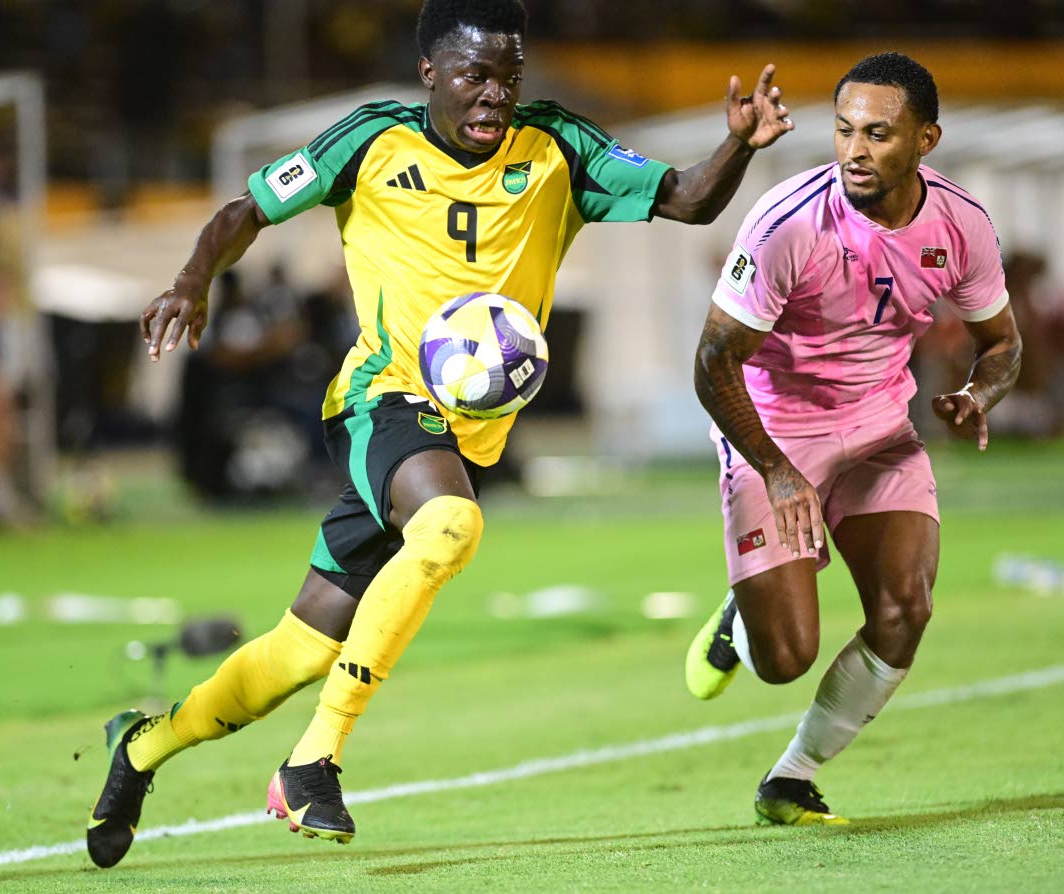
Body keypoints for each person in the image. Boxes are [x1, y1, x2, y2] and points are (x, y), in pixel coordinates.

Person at [86, 0, 794, 867]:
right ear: (429, 73)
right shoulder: (373, 141)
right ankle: (313, 762)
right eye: (474, 76)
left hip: (466, 434)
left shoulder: (557, 147)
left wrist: (739, 145)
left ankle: (144, 744)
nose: (495, 95)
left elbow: (685, 199)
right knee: (453, 525)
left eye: (509, 76)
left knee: (297, 651)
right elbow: (248, 209)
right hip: (383, 399)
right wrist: (193, 277)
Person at [684, 52, 1022, 826]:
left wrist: (978, 392)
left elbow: (1001, 343)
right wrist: (773, 467)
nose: (854, 151)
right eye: (843, 130)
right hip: (772, 430)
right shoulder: (786, 221)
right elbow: (712, 364)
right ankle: (743, 620)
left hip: (878, 429)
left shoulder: (961, 224)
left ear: (925, 139)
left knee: (905, 607)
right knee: (785, 659)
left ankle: (791, 777)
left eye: (877, 133)